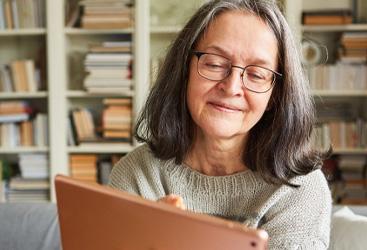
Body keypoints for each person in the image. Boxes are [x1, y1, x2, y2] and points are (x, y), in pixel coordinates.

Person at [109, 0, 332, 248]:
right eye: (215, 64)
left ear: (275, 96)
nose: (232, 87)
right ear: (184, 72)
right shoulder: (136, 175)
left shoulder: (300, 189)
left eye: (256, 74)